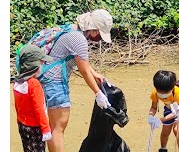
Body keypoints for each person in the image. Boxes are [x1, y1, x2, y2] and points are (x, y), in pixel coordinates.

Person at [39, 9, 113, 152]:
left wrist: (95, 74)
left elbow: (83, 63)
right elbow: (83, 71)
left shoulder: (72, 29)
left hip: (46, 79)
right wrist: (98, 94)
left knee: (54, 126)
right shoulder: (79, 39)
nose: (98, 37)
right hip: (54, 83)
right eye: (99, 33)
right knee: (58, 127)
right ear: (94, 29)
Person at [13, 44, 53, 152]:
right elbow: (39, 109)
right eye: (41, 63)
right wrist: (46, 129)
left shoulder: (17, 82)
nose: (43, 65)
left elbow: (18, 107)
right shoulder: (34, 84)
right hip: (35, 127)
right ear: (33, 65)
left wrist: (20, 121)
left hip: (23, 125)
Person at [148, 70, 179, 152]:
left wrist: (160, 120)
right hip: (168, 107)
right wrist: (150, 116)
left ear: (172, 88)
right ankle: (163, 149)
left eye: (165, 92)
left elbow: (175, 113)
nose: (162, 94)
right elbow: (154, 107)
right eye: (159, 92)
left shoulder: (178, 92)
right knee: (165, 131)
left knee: (177, 129)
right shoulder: (155, 92)